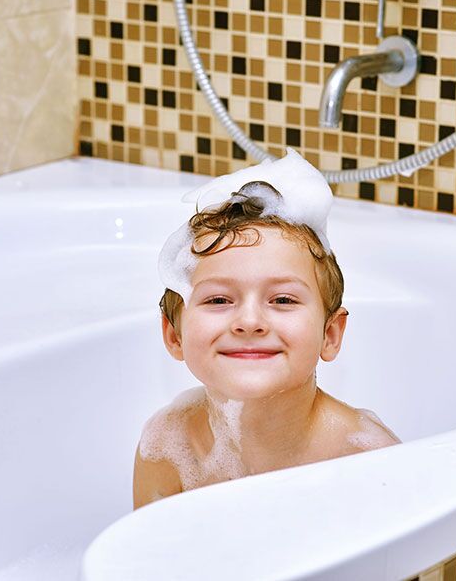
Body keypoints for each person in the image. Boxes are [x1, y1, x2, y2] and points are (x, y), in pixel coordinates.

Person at [133, 150, 399, 509]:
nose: (249, 322)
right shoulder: (166, 446)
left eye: (283, 300)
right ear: (174, 335)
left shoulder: (368, 458)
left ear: (331, 334)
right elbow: (149, 560)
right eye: (218, 300)